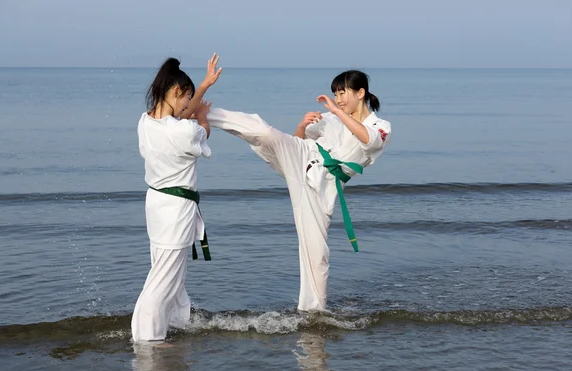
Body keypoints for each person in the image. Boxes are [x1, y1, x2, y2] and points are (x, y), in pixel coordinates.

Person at [207, 70, 391, 312]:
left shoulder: (380, 126)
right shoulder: (330, 118)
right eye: (336, 94)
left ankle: (313, 313)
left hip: (322, 188)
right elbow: (295, 144)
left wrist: (336, 112)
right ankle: (204, 113)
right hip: (303, 159)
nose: (338, 99)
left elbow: (368, 140)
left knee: (317, 254)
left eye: (342, 92)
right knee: (264, 132)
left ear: (360, 93)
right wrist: (302, 126)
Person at [131, 54, 222, 342]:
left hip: (156, 207)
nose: (188, 107)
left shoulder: (145, 122)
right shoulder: (184, 131)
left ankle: (172, 328)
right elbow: (200, 133)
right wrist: (204, 119)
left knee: (165, 274)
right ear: (175, 92)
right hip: (176, 211)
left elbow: (178, 120)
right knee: (163, 282)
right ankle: (148, 341)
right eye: (186, 100)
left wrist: (205, 85)